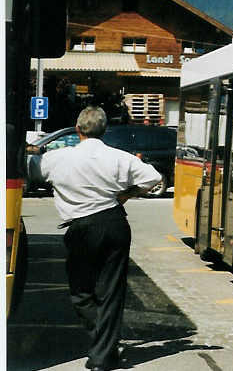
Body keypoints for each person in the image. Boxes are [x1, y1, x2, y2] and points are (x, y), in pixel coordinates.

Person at [39, 106, 162, 371]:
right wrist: (127, 194)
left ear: (77, 128)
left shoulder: (57, 158)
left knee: (81, 291)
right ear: (104, 130)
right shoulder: (119, 157)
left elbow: (35, 171)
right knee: (111, 291)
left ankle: (102, 350)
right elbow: (153, 177)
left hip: (80, 227)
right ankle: (104, 349)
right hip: (113, 222)